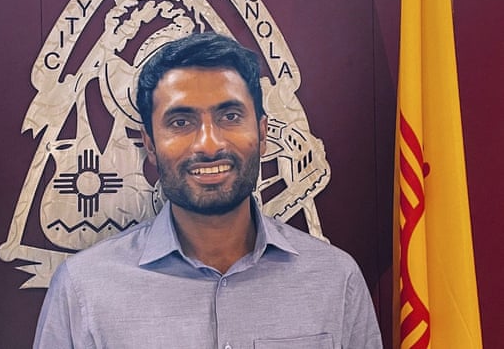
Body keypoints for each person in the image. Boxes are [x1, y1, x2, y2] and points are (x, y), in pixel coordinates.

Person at [33, 32, 383, 348]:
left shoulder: (336, 281)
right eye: (180, 122)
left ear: (262, 133)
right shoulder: (84, 289)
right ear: (150, 145)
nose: (209, 144)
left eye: (230, 116)